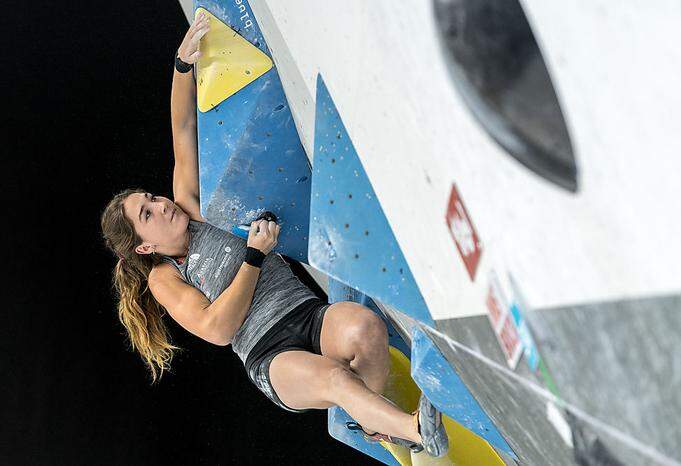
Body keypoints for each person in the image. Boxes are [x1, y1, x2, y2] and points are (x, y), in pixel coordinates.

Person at [100, 12, 448, 457]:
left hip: (305, 313)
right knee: (335, 380)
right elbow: (217, 329)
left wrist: (181, 65)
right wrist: (253, 257)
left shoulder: (188, 203)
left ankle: (378, 426)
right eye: (148, 213)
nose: (162, 204)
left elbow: (182, 127)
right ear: (144, 245)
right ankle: (416, 430)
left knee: (366, 329)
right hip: (270, 354)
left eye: (152, 197)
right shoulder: (163, 276)